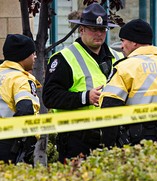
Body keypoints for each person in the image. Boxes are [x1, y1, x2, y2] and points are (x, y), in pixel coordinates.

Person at [42, 3, 124, 163]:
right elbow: (50, 97)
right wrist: (85, 97)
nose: (99, 34)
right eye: (93, 29)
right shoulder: (64, 58)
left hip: (111, 136)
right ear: (81, 30)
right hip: (76, 138)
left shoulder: (117, 57)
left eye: (102, 29)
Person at [0, 34, 40, 164]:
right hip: (10, 146)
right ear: (22, 56)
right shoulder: (20, 79)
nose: (35, 57)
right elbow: (25, 110)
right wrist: (23, 142)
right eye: (32, 53)